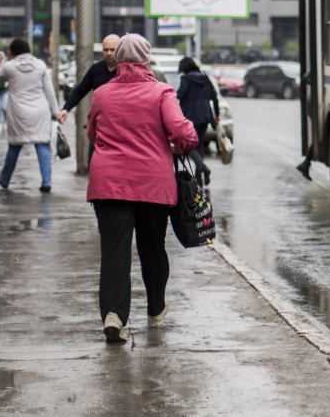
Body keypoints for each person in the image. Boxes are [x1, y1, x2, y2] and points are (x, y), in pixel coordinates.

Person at [87, 34, 198, 343]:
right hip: (152, 183)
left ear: (118, 60)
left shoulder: (102, 94)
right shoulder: (162, 92)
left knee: (114, 251)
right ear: (146, 60)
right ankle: (155, 307)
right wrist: (184, 142)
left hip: (108, 182)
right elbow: (181, 131)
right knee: (152, 247)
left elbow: (92, 133)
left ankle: (113, 315)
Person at [0, 39, 59, 192]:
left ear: (12, 51)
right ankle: (46, 182)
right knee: (42, 144)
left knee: (14, 146)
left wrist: (5, 60)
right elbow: (49, 91)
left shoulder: (9, 67)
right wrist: (55, 112)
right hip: (40, 111)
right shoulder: (40, 65)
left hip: (18, 112)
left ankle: (5, 178)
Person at [175, 56, 220, 186]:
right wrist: (216, 115)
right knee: (198, 146)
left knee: (187, 146)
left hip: (190, 117)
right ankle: (199, 179)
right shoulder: (205, 78)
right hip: (205, 116)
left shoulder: (185, 79)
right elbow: (214, 98)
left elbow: (179, 95)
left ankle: (202, 168)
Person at [57, 34, 119, 126]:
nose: (109, 53)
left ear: (120, 50)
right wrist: (66, 109)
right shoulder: (96, 69)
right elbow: (80, 90)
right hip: (100, 121)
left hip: (119, 121)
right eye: (105, 50)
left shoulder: (126, 70)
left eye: (112, 50)